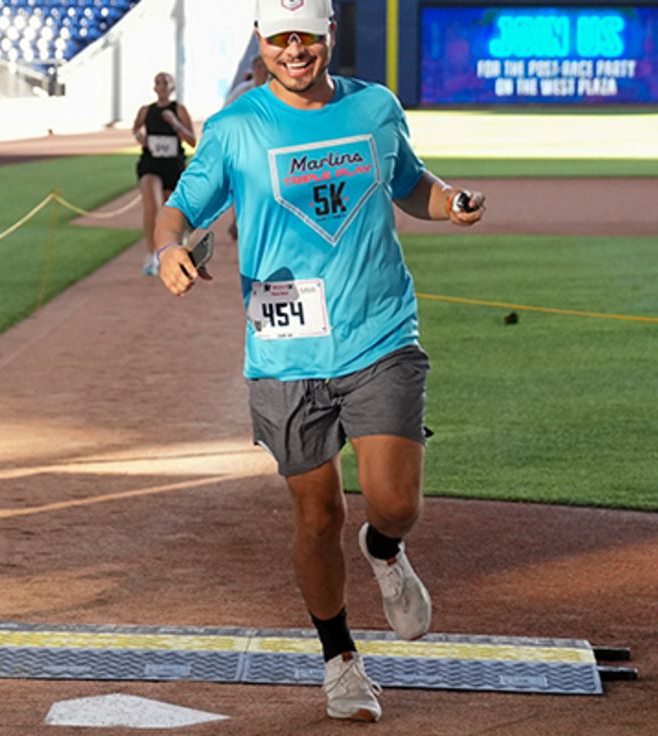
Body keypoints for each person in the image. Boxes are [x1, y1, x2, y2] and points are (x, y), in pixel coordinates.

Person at [150, 0, 486, 722]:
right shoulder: (237, 128)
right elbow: (177, 212)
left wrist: (450, 200)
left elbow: (410, 183)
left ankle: (386, 549)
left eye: (306, 36)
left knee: (396, 502)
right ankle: (340, 660)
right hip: (285, 350)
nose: (294, 51)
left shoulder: (374, 107)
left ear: (329, 34)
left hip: (379, 332)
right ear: (260, 43)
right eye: (280, 39)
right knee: (316, 514)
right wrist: (168, 248)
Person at [132, 73, 196, 276]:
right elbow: (136, 130)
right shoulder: (146, 110)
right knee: (152, 206)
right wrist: (139, 136)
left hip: (173, 165)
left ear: (172, 87)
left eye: (165, 82)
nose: (161, 86)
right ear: (154, 88)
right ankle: (152, 255)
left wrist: (176, 124)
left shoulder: (178, 109)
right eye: (158, 82)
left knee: (174, 211)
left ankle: (176, 246)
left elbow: (192, 141)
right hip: (151, 162)